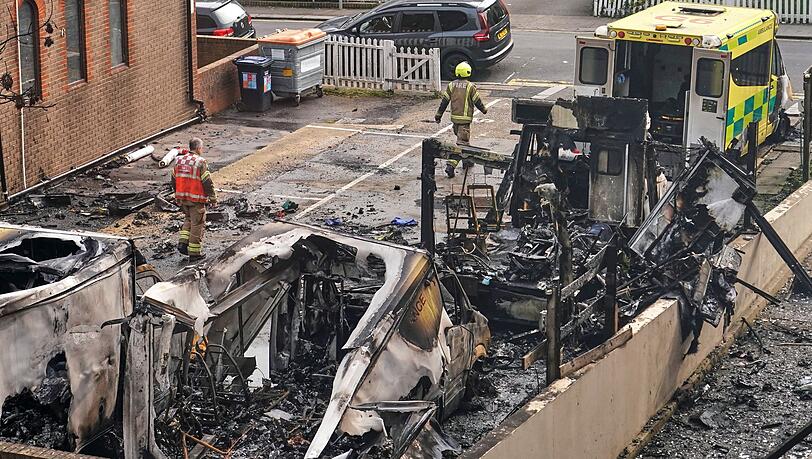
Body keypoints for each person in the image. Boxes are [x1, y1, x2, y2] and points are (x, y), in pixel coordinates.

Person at [435, 61, 488, 178]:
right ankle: (451, 165)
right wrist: (484, 110)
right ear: (468, 72)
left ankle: (466, 161)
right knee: (462, 144)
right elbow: (477, 101)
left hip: (455, 120)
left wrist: (438, 115)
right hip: (465, 121)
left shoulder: (451, 85)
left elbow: (444, 102)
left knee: (463, 141)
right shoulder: (470, 87)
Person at [171, 138, 216, 260]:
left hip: (182, 198)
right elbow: (207, 181)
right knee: (197, 224)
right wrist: (213, 198)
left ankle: (183, 243)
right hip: (196, 199)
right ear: (198, 148)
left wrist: (177, 193)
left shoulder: (179, 160)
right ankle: (195, 254)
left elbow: (174, 179)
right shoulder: (200, 162)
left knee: (189, 219)